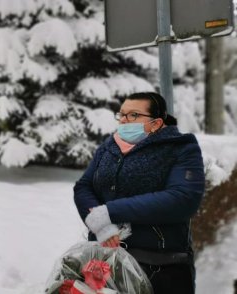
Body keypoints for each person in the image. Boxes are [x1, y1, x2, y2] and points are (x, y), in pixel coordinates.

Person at [74, 92, 205, 294]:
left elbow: (182, 199)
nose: (124, 120)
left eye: (133, 115)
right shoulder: (109, 147)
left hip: (159, 268)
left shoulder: (181, 149)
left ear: (156, 123)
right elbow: (84, 186)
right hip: (104, 263)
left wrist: (110, 211)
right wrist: (101, 225)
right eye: (122, 114)